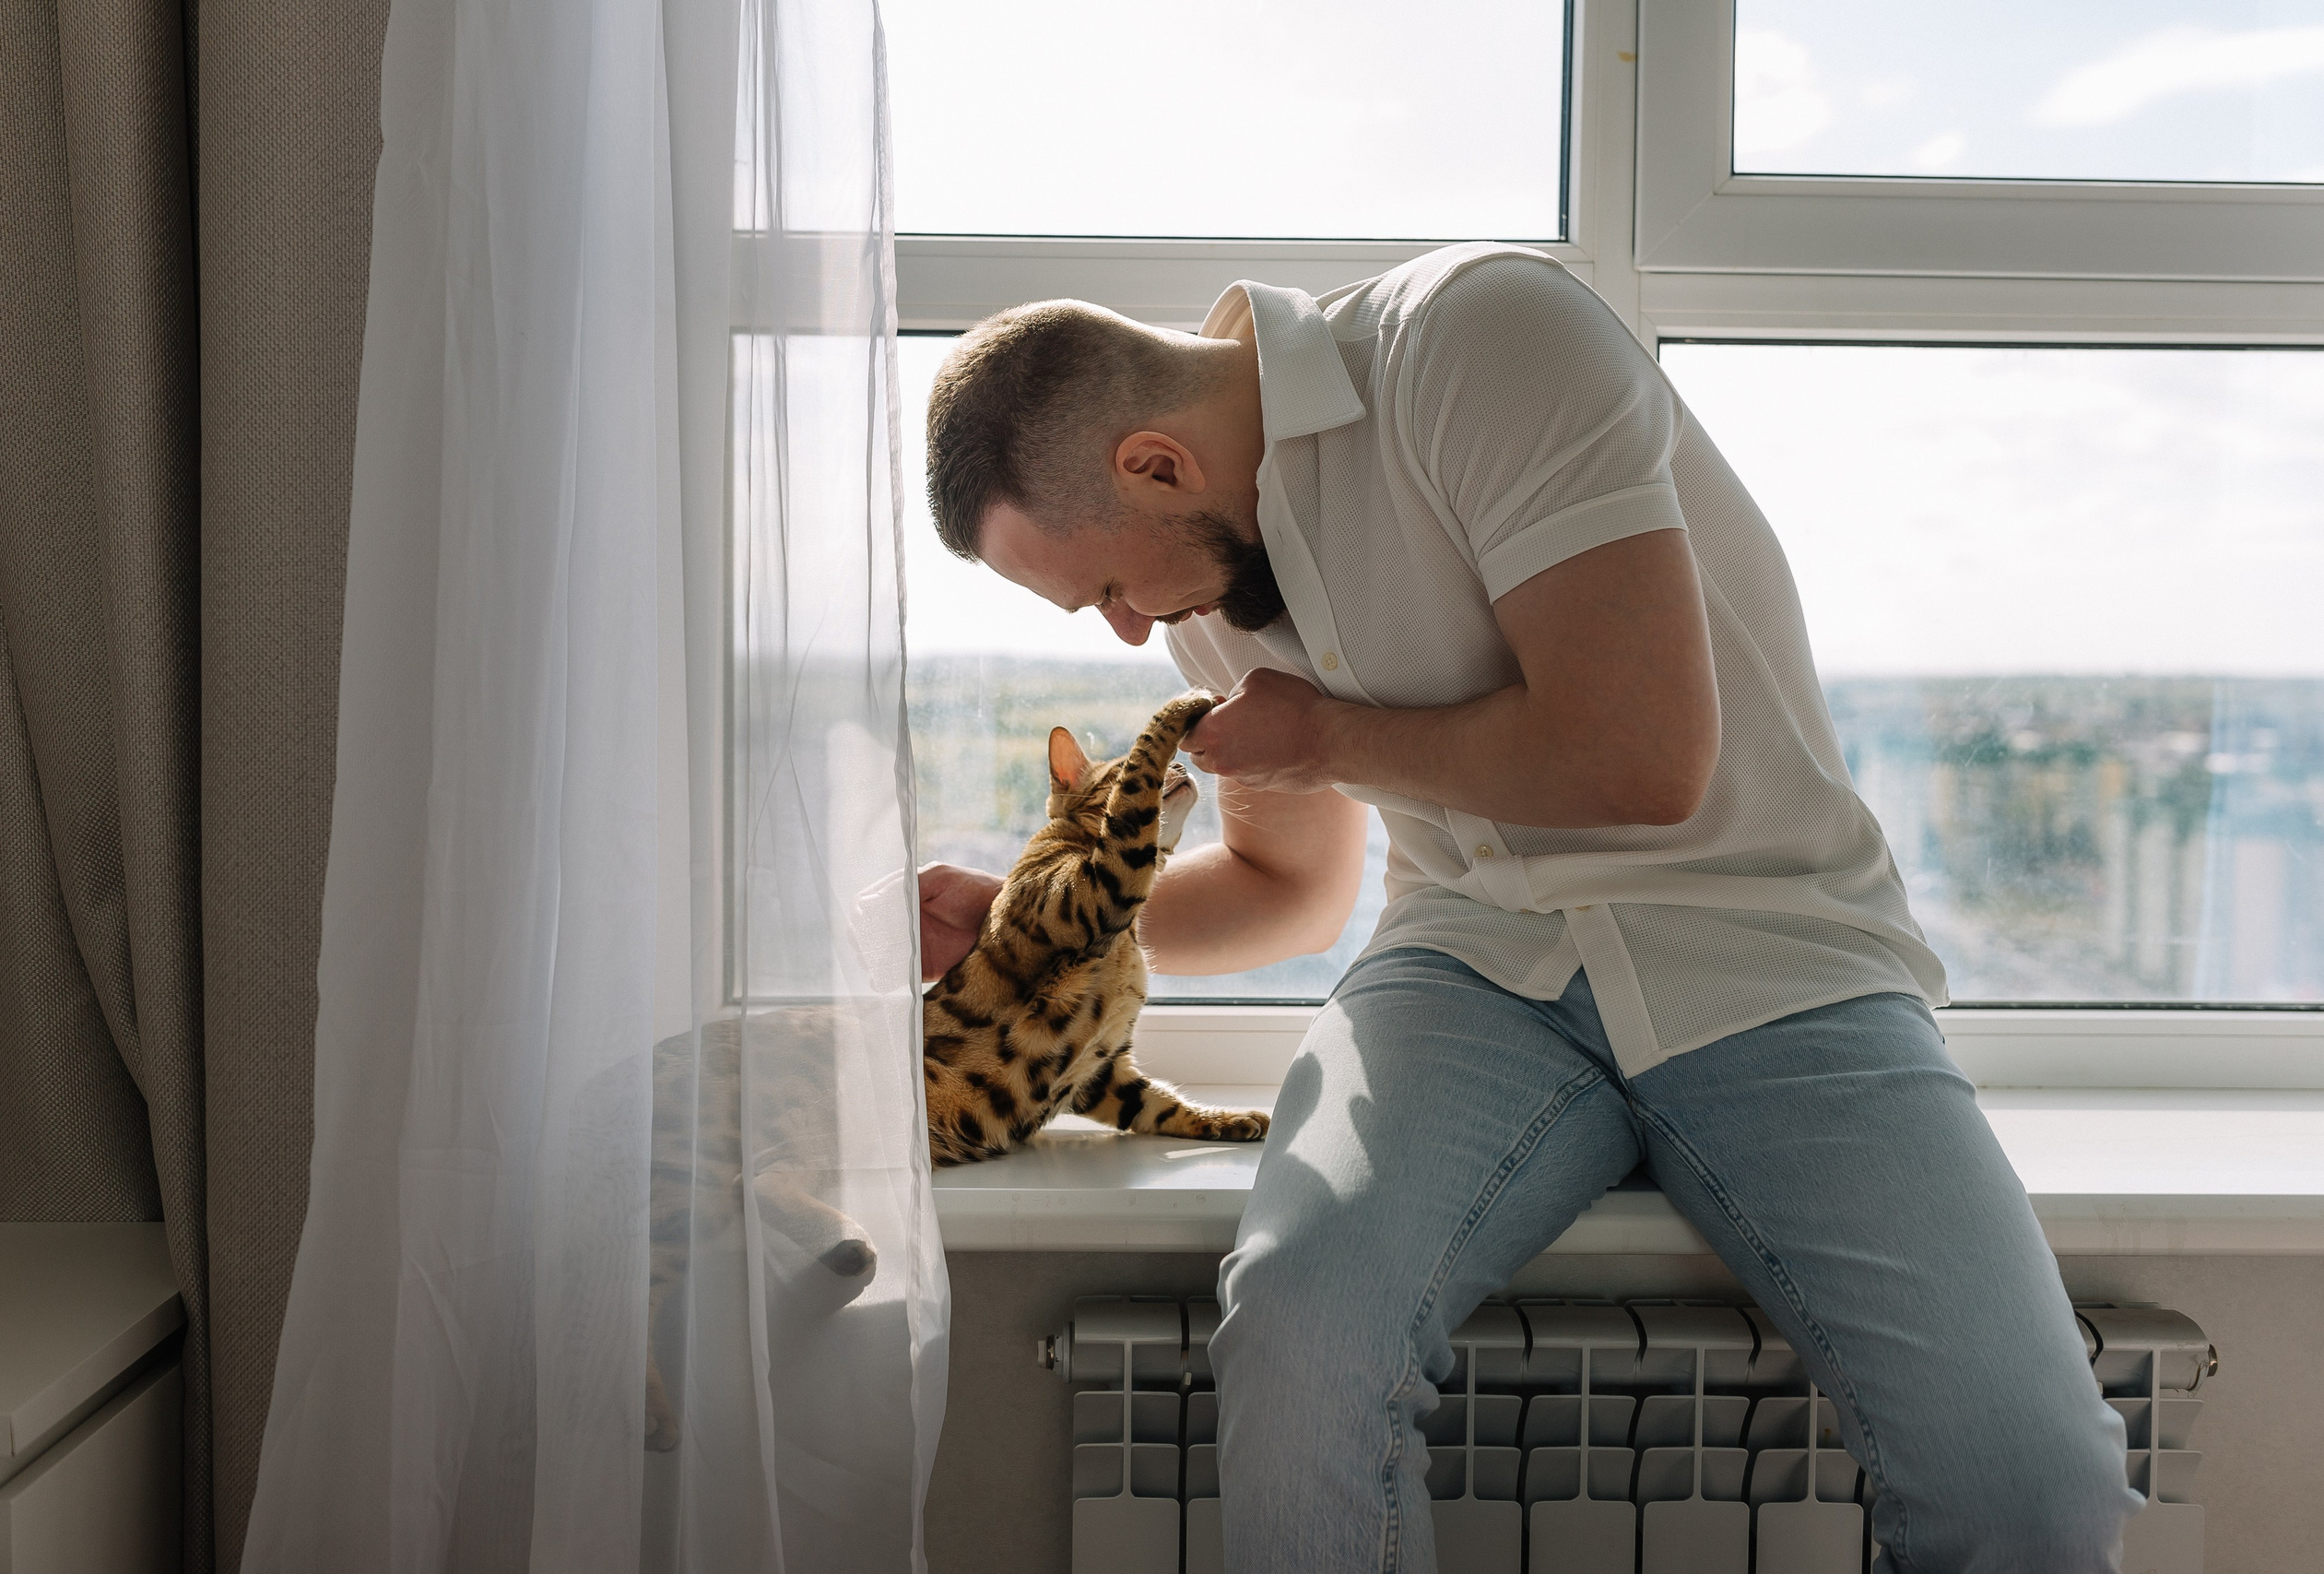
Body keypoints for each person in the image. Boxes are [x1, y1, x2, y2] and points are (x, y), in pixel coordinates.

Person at [914, 243, 2136, 1573]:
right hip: (1469, 969)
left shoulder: (1481, 337)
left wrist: (1325, 736)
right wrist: (1046, 929)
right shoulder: (1215, 568)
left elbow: (1639, 760)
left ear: (1158, 465)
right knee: (1302, 1336)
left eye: (1103, 588)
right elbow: (1292, 888)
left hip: (1771, 956)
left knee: (2035, 1488)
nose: (1129, 633)